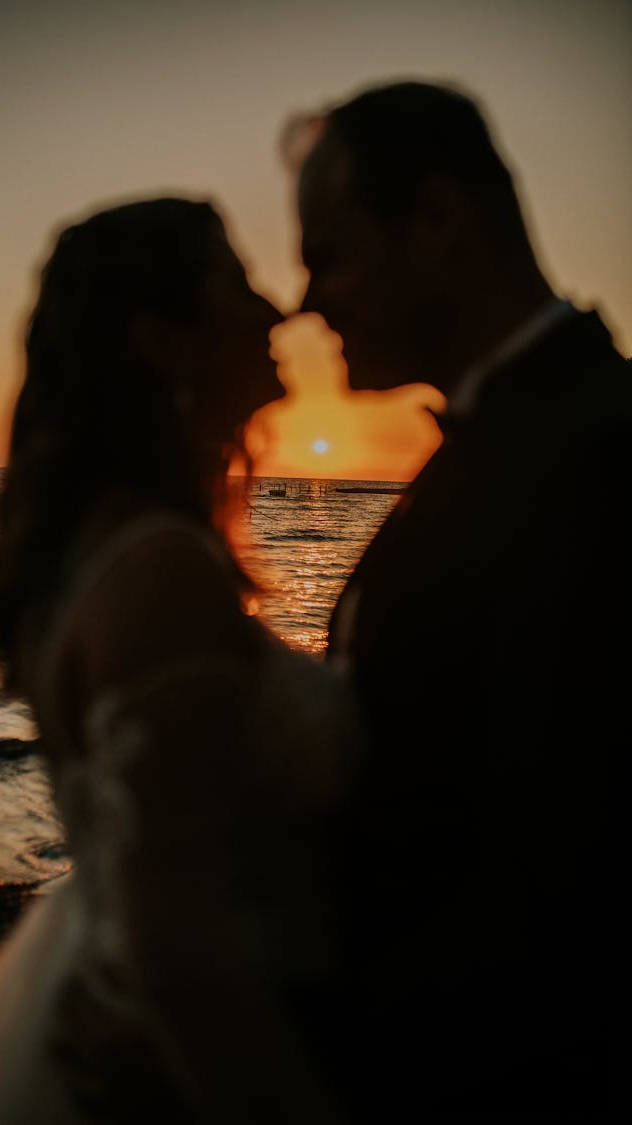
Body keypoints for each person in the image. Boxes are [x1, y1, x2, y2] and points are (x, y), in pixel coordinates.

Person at [0, 198, 360, 1125]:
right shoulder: (159, 567)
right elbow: (182, 950)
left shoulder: (111, 548)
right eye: (236, 286)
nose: (276, 313)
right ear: (163, 340)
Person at [281, 80, 628, 1117]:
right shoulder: (507, 441)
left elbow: (559, 902)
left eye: (327, 252)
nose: (307, 300)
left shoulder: (599, 460)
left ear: (435, 220)